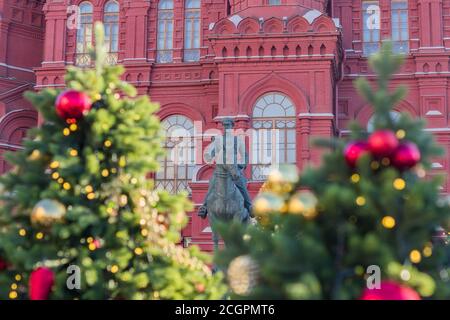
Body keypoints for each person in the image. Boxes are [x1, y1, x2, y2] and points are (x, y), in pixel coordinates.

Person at [198, 118, 252, 219]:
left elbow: (244, 154)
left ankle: (249, 206)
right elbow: (209, 152)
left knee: (241, 186)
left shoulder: (237, 140)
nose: (226, 127)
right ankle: (204, 207)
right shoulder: (218, 140)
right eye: (225, 125)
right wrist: (210, 157)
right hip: (220, 170)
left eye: (228, 125)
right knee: (212, 184)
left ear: (232, 126)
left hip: (234, 169)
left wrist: (242, 165)